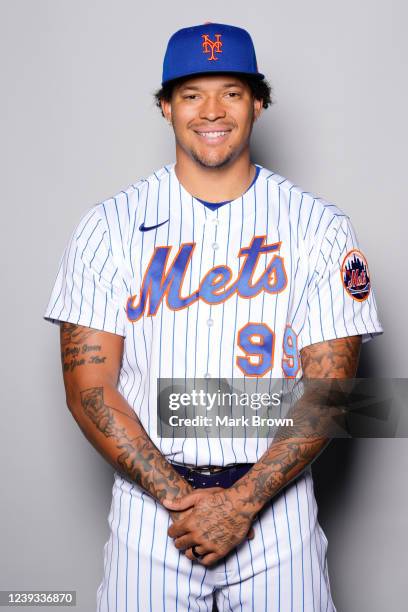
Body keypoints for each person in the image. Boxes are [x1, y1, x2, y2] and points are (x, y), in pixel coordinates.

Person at [45, 22, 383, 612]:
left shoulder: (319, 228)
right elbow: (88, 389)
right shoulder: (108, 228)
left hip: (276, 510)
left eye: (230, 91)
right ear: (166, 107)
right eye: (191, 93)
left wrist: (243, 502)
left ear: (258, 102)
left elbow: (335, 391)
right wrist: (184, 500)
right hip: (153, 513)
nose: (211, 110)